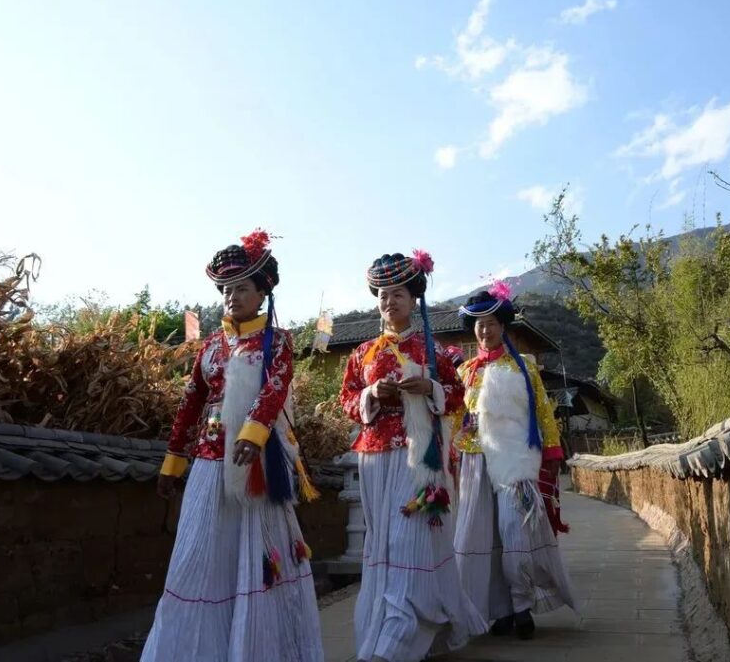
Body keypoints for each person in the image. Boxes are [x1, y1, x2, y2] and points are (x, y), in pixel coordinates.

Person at [142, 230, 324, 662]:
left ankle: (257, 647)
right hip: (208, 462)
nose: (231, 296)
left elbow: (274, 389)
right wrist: (172, 463)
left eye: (241, 287)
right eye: (225, 289)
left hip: (255, 465)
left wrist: (253, 434)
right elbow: (190, 404)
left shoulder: (278, 342)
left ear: (262, 292)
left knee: (256, 561)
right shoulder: (209, 346)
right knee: (198, 558)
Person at [339, 251, 486, 662]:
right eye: (383, 295)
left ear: (413, 298)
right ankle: (393, 625)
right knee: (383, 542)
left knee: (409, 539)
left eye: (398, 294)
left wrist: (429, 388)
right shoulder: (362, 354)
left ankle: (397, 640)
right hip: (374, 458)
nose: (390, 302)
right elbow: (347, 400)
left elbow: (459, 397)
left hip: (419, 455)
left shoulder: (435, 351)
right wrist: (371, 393)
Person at [453, 283, 577, 640]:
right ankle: (497, 611)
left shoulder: (525, 367)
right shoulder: (465, 372)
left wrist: (551, 453)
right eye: (478, 324)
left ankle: (523, 606)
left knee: (514, 530)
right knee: (481, 536)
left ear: (503, 326)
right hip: (474, 459)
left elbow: (542, 413)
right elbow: (453, 415)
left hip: (513, 459)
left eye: (491, 322)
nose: (485, 329)